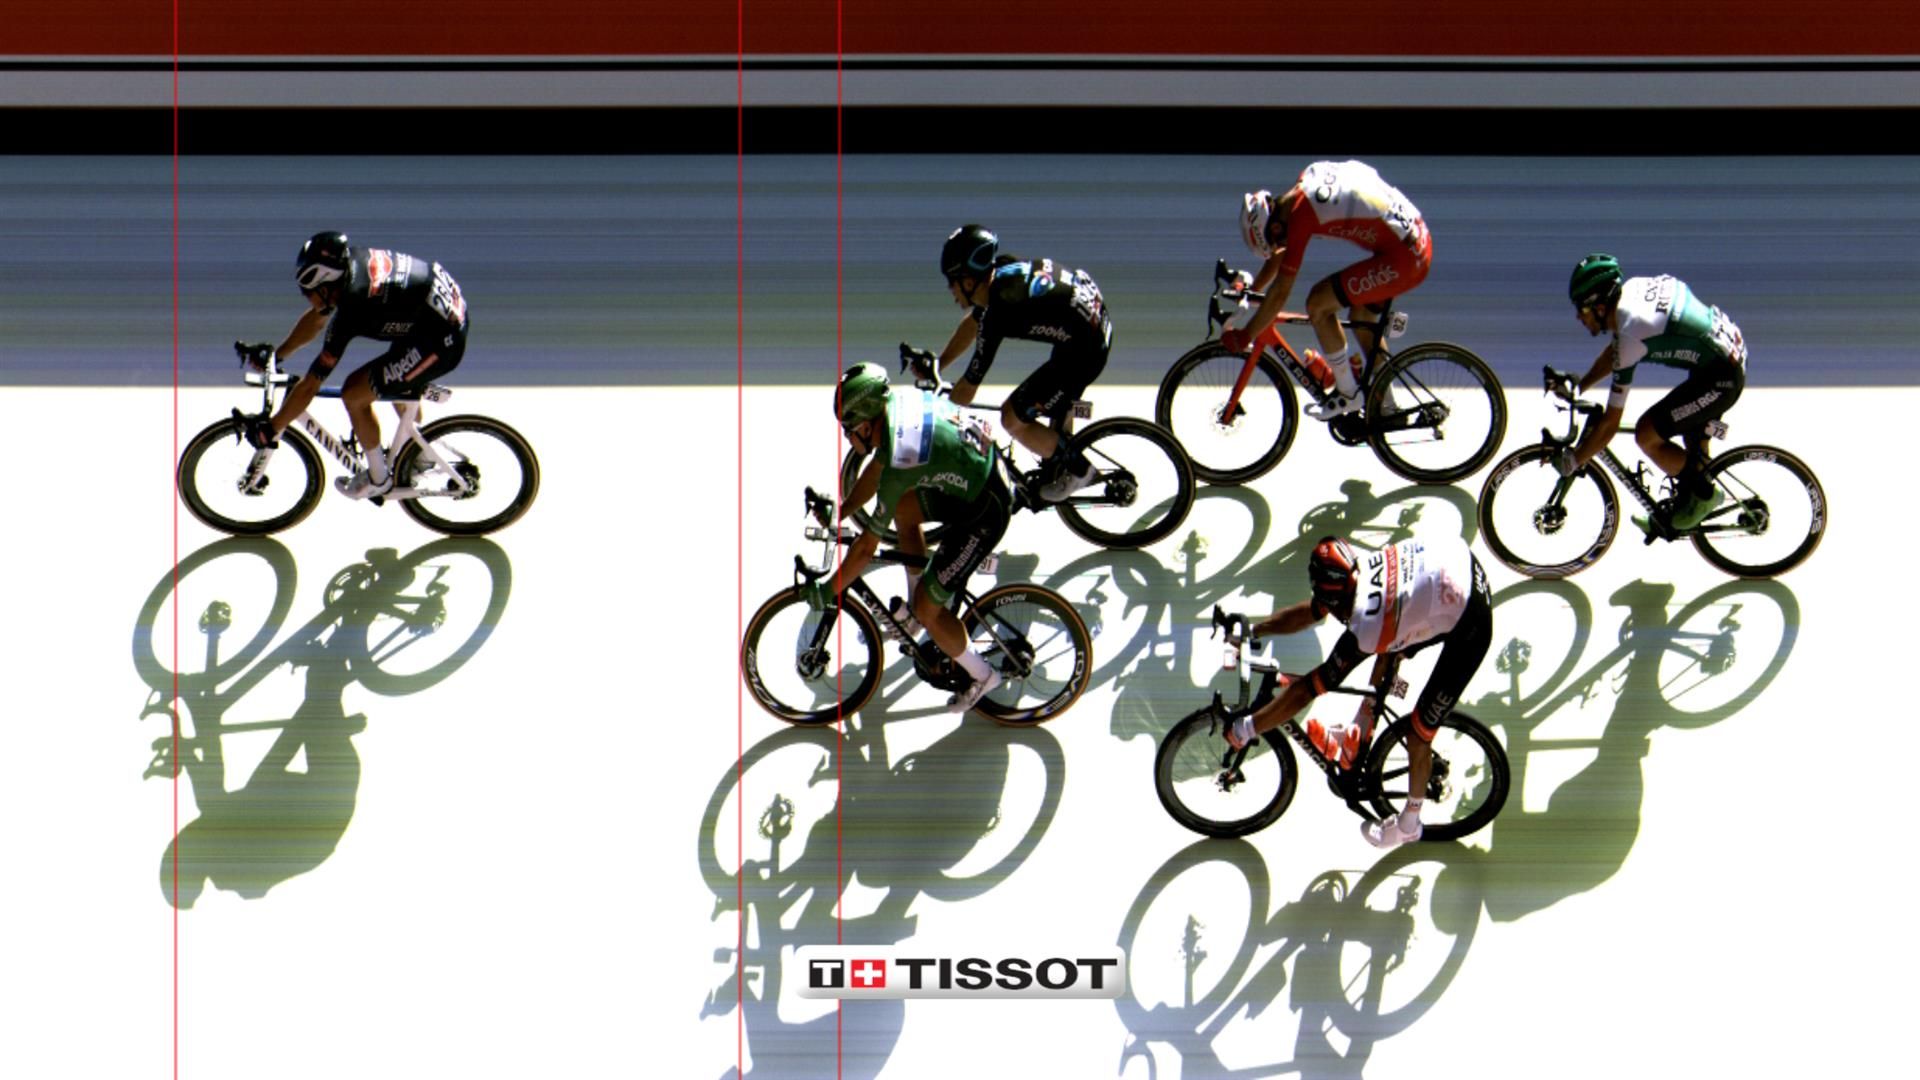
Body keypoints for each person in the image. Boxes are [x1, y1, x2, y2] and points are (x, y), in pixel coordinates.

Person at [1225, 534, 1493, 848]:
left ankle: (1409, 825)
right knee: (1390, 645)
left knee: (1419, 732)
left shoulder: (1367, 625)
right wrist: (1255, 630)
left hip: (1470, 622)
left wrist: (1248, 727)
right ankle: (1358, 733)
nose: (1331, 612)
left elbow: (1309, 689)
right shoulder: (1357, 568)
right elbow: (1312, 611)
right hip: (1455, 565)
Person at [802, 363, 1013, 714]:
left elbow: (865, 549)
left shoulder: (901, 455)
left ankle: (983, 675)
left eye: (848, 430)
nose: (847, 437)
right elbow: (874, 473)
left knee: (931, 609)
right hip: (979, 478)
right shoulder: (894, 413)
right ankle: (916, 613)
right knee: (903, 508)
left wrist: (828, 591)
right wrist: (842, 510)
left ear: (866, 424)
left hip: (985, 511)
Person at [239, 231, 470, 499]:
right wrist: (277, 355)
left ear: (325, 287)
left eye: (308, 292)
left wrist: (271, 428)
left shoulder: (352, 308)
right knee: (390, 382)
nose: (306, 298)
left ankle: (379, 479)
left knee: (354, 393)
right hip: (433, 317)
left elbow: (311, 384)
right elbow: (318, 318)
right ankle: (416, 453)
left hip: (440, 340)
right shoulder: (349, 267)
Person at [1221, 161, 1433, 419]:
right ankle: (1387, 408)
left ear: (1276, 227)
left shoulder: (1302, 216)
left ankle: (1348, 394)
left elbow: (1280, 292)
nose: (1280, 245)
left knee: (1318, 304)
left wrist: (1247, 335)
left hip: (1404, 259)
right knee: (1362, 318)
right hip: (1414, 241)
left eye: (1276, 240)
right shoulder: (1302, 187)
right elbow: (1283, 252)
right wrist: (1253, 290)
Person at [1555, 254, 1747, 535]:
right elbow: (1616, 351)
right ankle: (1682, 506)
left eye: (1582, 309)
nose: (1578, 317)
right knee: (1689, 446)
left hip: (1721, 377)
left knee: (1647, 434)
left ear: (1600, 306)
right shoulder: (1631, 294)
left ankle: (1705, 496)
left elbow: (1609, 424)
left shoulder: (1631, 333)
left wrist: (1575, 460)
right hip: (1720, 357)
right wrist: (1580, 385)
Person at [927, 224, 1111, 502]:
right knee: (1045, 404)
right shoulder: (1001, 271)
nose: (950, 288)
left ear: (969, 282)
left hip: (1085, 350)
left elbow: (968, 388)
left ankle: (1079, 470)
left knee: (1012, 418)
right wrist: (938, 364)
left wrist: (933, 415)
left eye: (952, 281)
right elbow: (972, 324)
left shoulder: (999, 313)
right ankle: (1060, 448)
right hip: (1087, 329)